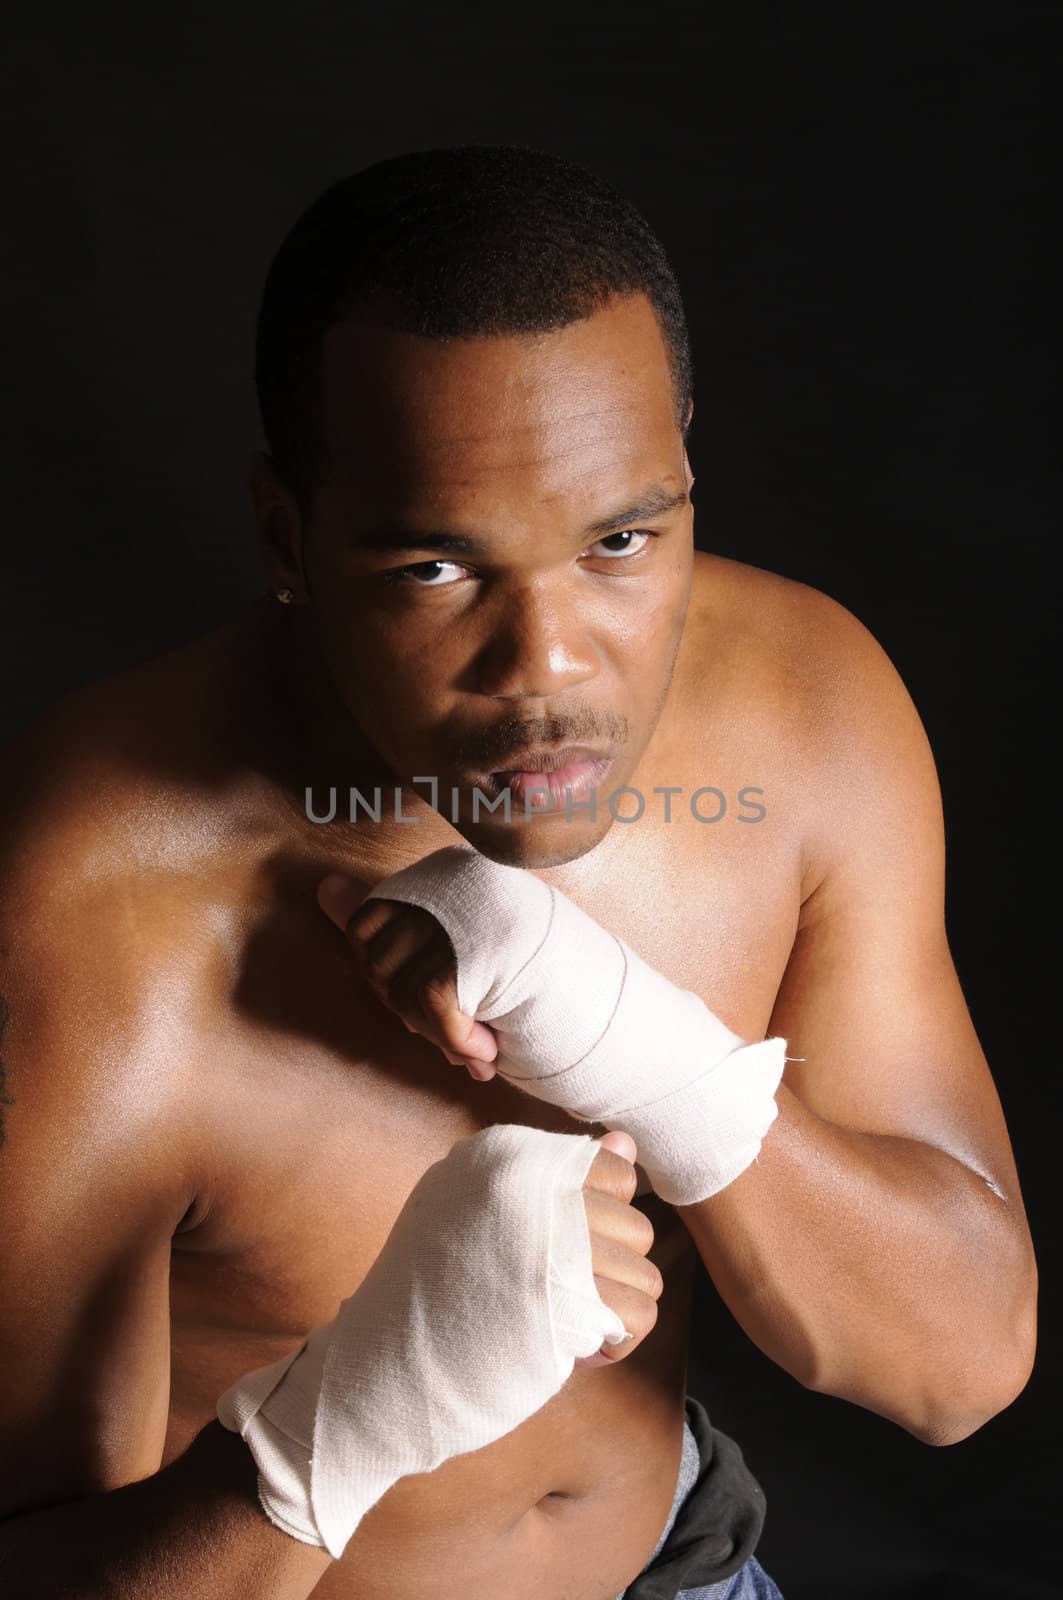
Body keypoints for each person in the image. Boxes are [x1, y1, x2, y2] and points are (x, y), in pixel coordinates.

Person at [0, 145, 1037, 1600]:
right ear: (288, 539)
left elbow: (959, 1366)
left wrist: (653, 1056)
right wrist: (343, 1422)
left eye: (622, 542)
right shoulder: (88, 912)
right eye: (436, 570)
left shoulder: (806, 708)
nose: (545, 668)